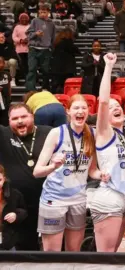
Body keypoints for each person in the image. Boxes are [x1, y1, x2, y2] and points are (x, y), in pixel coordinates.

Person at [33, 94, 106, 251]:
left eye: (84, 108)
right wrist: (53, 166)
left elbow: (92, 170)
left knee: (74, 254)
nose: (80, 111)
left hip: (78, 200)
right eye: (76, 108)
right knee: (52, 255)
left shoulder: (92, 135)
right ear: (68, 111)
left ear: (88, 111)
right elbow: (37, 171)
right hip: (54, 200)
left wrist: (102, 175)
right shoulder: (56, 133)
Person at [89, 53, 125, 252]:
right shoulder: (104, 132)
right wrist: (109, 66)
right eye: (111, 108)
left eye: (118, 105)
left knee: (114, 254)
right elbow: (102, 102)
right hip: (110, 196)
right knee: (105, 256)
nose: (116, 107)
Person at [0, 104, 52, 250]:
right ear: (8, 121)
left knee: (53, 246)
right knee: (25, 246)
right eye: (15, 118)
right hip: (18, 205)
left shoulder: (48, 132)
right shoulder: (4, 135)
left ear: (33, 117)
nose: (20, 121)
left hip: (48, 200)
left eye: (24, 116)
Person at [25, 5, 55, 92]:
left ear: (48, 13)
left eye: (45, 12)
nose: (43, 14)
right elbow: (28, 35)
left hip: (45, 49)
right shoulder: (34, 21)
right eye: (41, 12)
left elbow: (53, 37)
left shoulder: (51, 23)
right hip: (33, 48)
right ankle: (31, 89)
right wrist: (36, 34)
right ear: (38, 13)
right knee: (32, 69)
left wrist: (50, 47)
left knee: (46, 70)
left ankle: (45, 88)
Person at [0, 165, 28, 251]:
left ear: (4, 179)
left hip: (9, 240)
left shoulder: (15, 194)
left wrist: (16, 215)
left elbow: (24, 211)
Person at [50, 29, 81, 94]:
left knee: (55, 85)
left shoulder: (56, 43)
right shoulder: (68, 42)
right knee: (68, 86)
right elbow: (78, 51)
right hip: (67, 69)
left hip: (56, 69)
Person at [12, 13, 30, 83]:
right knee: (21, 64)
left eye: (25, 18)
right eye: (22, 18)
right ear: (19, 19)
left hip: (29, 49)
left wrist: (27, 40)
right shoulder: (17, 27)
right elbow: (14, 37)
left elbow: (33, 35)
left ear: (28, 19)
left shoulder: (31, 26)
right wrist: (21, 40)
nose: (24, 19)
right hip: (19, 49)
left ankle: (28, 78)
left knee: (28, 64)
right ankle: (22, 78)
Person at [0, 57, 11, 126]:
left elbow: (9, 86)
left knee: (5, 120)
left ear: (4, 64)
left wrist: (10, 97)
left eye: (1, 62)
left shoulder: (7, 74)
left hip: (6, 100)